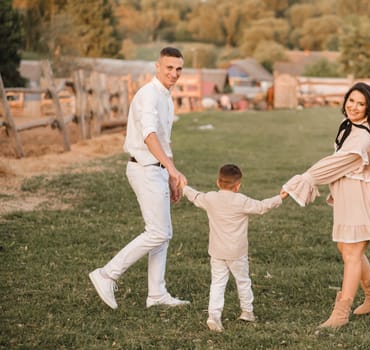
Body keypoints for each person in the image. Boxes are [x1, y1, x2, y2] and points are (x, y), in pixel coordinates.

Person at [282, 82, 370, 328]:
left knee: (352, 253)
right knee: (346, 248)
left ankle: (341, 313)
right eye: (351, 100)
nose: (354, 107)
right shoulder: (350, 126)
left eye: (361, 104)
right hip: (351, 195)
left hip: (363, 199)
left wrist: (305, 179)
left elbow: (334, 164)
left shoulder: (362, 138)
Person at [89, 47, 190, 310]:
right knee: (158, 231)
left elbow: (164, 142)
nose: (174, 73)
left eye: (178, 68)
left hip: (157, 169)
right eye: (169, 67)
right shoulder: (148, 95)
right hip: (144, 168)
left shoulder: (166, 97)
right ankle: (107, 273)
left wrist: (170, 174)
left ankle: (156, 294)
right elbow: (149, 135)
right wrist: (172, 170)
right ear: (157, 67)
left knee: (163, 234)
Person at [183, 164, 288, 332]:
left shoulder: (210, 198)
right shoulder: (242, 201)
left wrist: (183, 186)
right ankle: (247, 312)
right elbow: (262, 206)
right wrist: (281, 197)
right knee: (243, 280)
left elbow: (195, 196)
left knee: (217, 283)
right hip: (237, 253)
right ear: (238, 185)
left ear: (218, 182)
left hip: (217, 251)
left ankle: (214, 316)